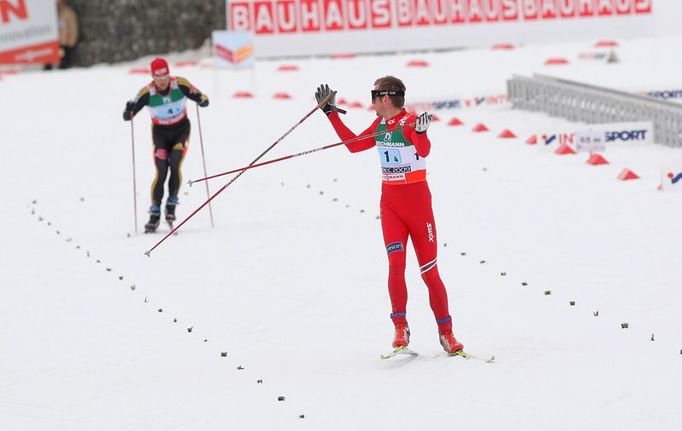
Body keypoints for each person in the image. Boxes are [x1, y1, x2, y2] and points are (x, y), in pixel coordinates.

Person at [314, 77, 464, 354]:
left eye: (374, 97)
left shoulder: (410, 123)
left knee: (429, 272)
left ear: (385, 98)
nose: (372, 103)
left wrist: (421, 134)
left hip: (418, 208)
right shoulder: (380, 125)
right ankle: (400, 328)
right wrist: (331, 114)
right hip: (391, 206)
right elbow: (355, 145)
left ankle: (447, 332)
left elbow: (424, 150)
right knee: (396, 266)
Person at [123, 57, 209, 233]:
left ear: (169, 75)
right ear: (153, 77)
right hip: (161, 134)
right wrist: (129, 109)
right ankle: (154, 214)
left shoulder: (180, 84)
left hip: (181, 130)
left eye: (165, 77)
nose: (162, 82)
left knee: (175, 162)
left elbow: (204, 99)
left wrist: (201, 99)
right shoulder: (147, 93)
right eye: (158, 78)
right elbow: (128, 116)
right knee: (162, 170)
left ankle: (171, 206)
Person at [45, 0, 79, 70]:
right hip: (53, 42)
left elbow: (73, 28)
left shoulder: (68, 13)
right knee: (48, 60)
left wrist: (71, 41)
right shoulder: (52, 12)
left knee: (64, 61)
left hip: (64, 42)